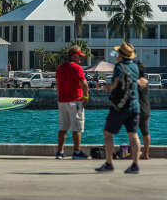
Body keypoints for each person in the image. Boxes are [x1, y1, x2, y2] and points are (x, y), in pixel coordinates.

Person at [96, 42, 141, 174]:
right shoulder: (135, 66)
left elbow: (116, 83)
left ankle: (109, 163)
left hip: (120, 107)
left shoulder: (119, 66)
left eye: (117, 53)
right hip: (135, 105)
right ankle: (135, 165)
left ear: (121, 55)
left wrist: (107, 87)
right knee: (133, 135)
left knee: (107, 133)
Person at [55, 45, 89, 159]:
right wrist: (86, 97)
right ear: (74, 56)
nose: (80, 58)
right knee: (77, 128)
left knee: (63, 128)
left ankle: (60, 152)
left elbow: (58, 84)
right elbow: (84, 84)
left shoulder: (60, 68)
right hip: (75, 101)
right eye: (79, 56)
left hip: (62, 101)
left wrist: (60, 96)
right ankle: (77, 152)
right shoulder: (77, 68)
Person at [137, 62, 151, 160]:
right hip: (146, 108)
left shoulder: (135, 82)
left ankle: (135, 153)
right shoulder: (146, 81)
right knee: (145, 132)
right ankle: (146, 153)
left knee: (133, 132)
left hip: (136, 109)